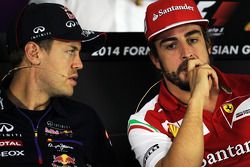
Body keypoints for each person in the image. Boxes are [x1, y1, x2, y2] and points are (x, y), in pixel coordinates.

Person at [127, 0, 250, 167]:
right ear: (155, 60)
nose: (187, 53)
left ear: (208, 45)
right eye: (171, 45)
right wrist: (197, 98)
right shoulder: (146, 122)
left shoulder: (247, 86)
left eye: (192, 40)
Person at [0, 3, 116, 167]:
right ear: (34, 53)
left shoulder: (85, 119)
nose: (79, 64)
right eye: (70, 51)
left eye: (79, 52)